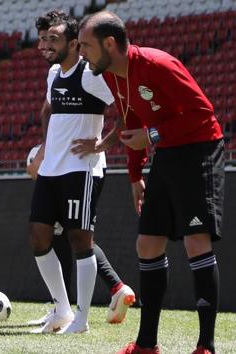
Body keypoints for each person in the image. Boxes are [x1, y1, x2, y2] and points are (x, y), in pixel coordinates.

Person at [78, 11, 224, 354]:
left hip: (199, 150)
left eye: (85, 45)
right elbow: (132, 122)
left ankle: (206, 346)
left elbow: (203, 114)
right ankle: (147, 345)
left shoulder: (158, 64)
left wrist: (153, 135)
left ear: (109, 43)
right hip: (167, 153)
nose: (81, 52)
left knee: (195, 242)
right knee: (147, 244)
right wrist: (135, 174)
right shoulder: (112, 75)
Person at [25, 10, 135, 330]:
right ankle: (62, 309)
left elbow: (127, 106)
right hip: (51, 169)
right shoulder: (53, 75)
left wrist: (103, 144)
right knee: (38, 236)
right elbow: (48, 111)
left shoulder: (91, 75)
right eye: (43, 39)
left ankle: (82, 317)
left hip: (82, 169)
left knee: (80, 241)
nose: (45, 44)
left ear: (74, 44)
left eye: (53, 39)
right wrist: (45, 149)